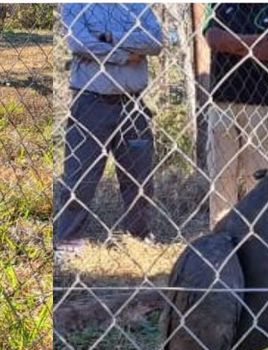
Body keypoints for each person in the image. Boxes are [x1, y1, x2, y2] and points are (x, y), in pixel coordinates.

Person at [54, 3, 163, 252]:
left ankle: (139, 237)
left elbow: (154, 41)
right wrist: (126, 54)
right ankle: (69, 241)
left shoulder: (137, 6)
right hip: (90, 101)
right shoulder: (75, 5)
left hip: (132, 103)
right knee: (79, 177)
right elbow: (79, 44)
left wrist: (110, 38)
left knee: (139, 178)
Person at [205, 3, 268, 227]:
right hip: (223, 101)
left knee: (260, 172)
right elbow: (213, 38)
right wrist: (257, 43)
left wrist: (233, 43)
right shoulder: (219, 6)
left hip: (262, 104)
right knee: (222, 171)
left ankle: (259, 230)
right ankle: (220, 230)